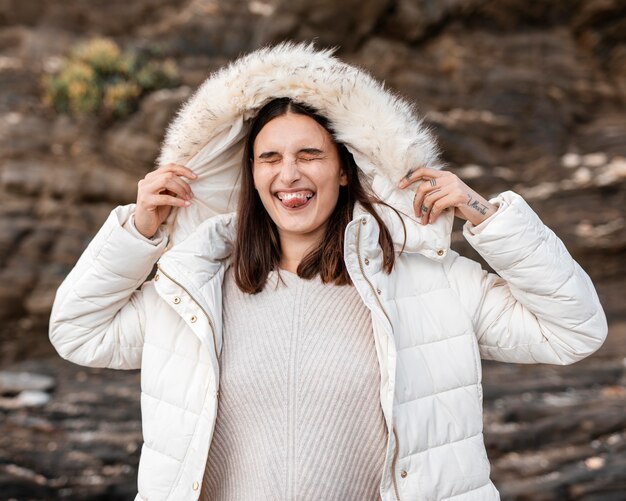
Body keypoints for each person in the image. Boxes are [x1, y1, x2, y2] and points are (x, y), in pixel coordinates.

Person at [48, 42, 608, 501]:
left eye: (309, 154)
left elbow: (573, 330)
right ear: (251, 176)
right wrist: (138, 232)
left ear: (344, 170)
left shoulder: (425, 280)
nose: (288, 174)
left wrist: (485, 217)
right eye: (269, 158)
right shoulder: (194, 289)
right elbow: (78, 332)